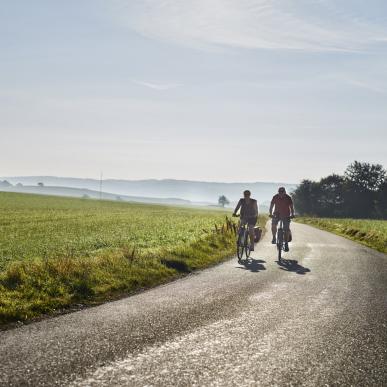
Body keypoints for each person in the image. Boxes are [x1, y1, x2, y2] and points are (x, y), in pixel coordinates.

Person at [269, 187, 295, 252]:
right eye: (280, 192)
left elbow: (291, 207)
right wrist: (270, 213)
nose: (281, 193)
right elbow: (271, 206)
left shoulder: (288, 198)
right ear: (278, 192)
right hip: (276, 214)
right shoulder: (275, 197)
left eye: (282, 192)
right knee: (273, 225)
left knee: (286, 229)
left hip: (286, 215)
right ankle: (274, 237)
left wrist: (292, 214)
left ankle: (286, 243)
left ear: (285, 192)